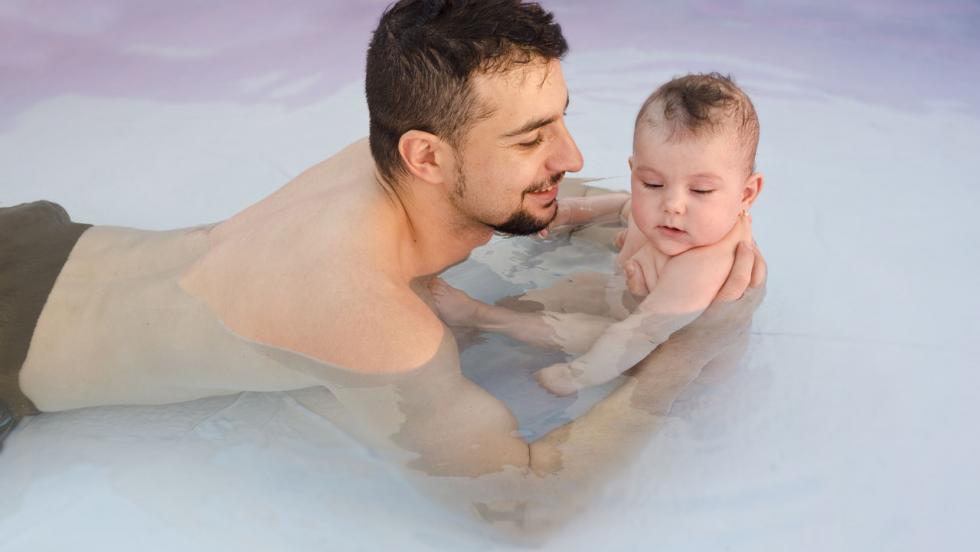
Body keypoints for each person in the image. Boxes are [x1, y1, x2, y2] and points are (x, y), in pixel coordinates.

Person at [0, 0, 765, 539]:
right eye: (534, 138)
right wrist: (693, 347)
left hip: (34, 240)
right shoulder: (368, 319)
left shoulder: (390, 152)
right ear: (427, 156)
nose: (571, 158)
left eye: (561, 117)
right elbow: (524, 509)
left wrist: (675, 229)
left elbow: (543, 204)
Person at [429, 73, 763, 396]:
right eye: (652, 184)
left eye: (701, 190)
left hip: (667, 361)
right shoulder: (672, 217)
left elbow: (643, 336)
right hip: (625, 307)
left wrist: (580, 375)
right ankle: (474, 327)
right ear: (634, 173)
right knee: (566, 291)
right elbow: (622, 208)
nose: (673, 204)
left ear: (746, 195)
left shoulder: (706, 263)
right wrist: (567, 213)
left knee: (598, 332)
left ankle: (484, 318)